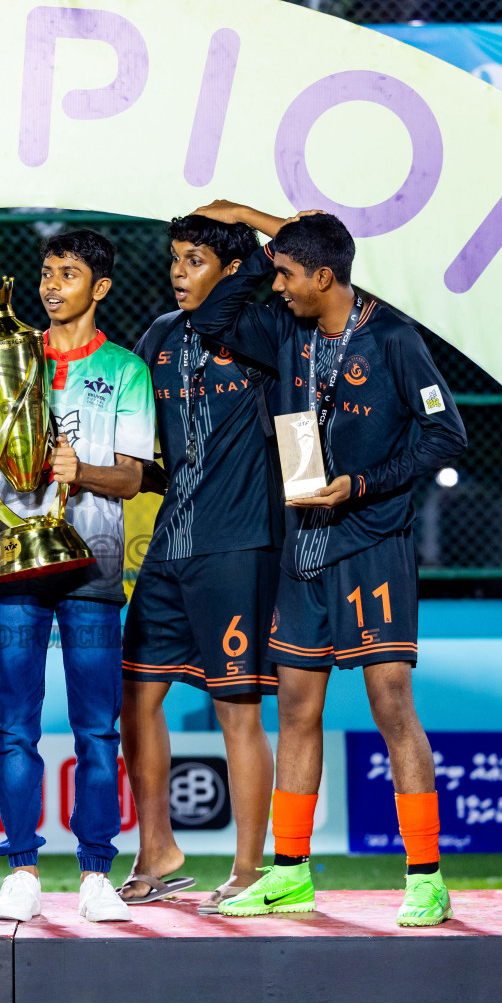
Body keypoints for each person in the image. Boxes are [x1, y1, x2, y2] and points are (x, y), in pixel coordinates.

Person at [181, 203, 467, 926]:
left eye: (286, 275)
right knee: (298, 711)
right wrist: (252, 232)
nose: (276, 288)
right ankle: (290, 872)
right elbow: (215, 321)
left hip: (371, 540)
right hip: (302, 542)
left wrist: (364, 485)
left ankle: (426, 878)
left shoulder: (395, 339)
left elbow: (447, 436)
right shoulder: (287, 329)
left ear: (325, 276)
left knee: (391, 707)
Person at [0, 230, 154, 923]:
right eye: (45, 273)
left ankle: (96, 871)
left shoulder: (127, 371)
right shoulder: (6, 354)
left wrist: (84, 473)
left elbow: (132, 477)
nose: (51, 286)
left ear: (99, 288)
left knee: (96, 729)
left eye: (67, 275)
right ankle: (20, 867)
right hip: (15, 565)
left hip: (93, 567)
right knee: (13, 725)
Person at [119, 211, 296, 912]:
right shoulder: (158, 337)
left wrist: (243, 221)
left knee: (236, 709)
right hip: (169, 545)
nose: (177, 272)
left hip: (241, 543)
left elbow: (312, 252)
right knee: (136, 698)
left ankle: (251, 872)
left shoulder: (264, 330)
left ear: (232, 268)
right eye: (174, 260)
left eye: (195, 259)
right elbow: (149, 456)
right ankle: (158, 850)